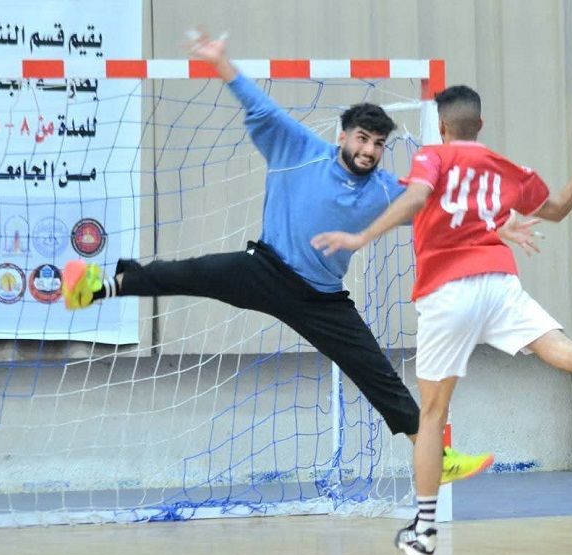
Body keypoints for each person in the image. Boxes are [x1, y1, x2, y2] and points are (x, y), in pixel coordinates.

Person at [62, 31, 527, 484]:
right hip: (266, 270)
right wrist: (222, 64)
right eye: (362, 138)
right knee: (191, 272)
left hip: (321, 299)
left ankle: (436, 458)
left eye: (378, 144)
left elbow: (444, 210)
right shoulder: (299, 149)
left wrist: (496, 224)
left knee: (376, 372)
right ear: (343, 136)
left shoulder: (387, 190)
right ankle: (97, 288)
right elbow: (260, 106)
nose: (369, 150)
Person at [311, 84, 572, 555]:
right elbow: (558, 209)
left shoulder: (432, 157)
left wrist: (361, 236)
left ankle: (424, 531)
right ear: (481, 126)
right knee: (566, 352)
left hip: (447, 291)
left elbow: (417, 199)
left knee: (431, 417)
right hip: (498, 283)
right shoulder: (507, 169)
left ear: (442, 127)